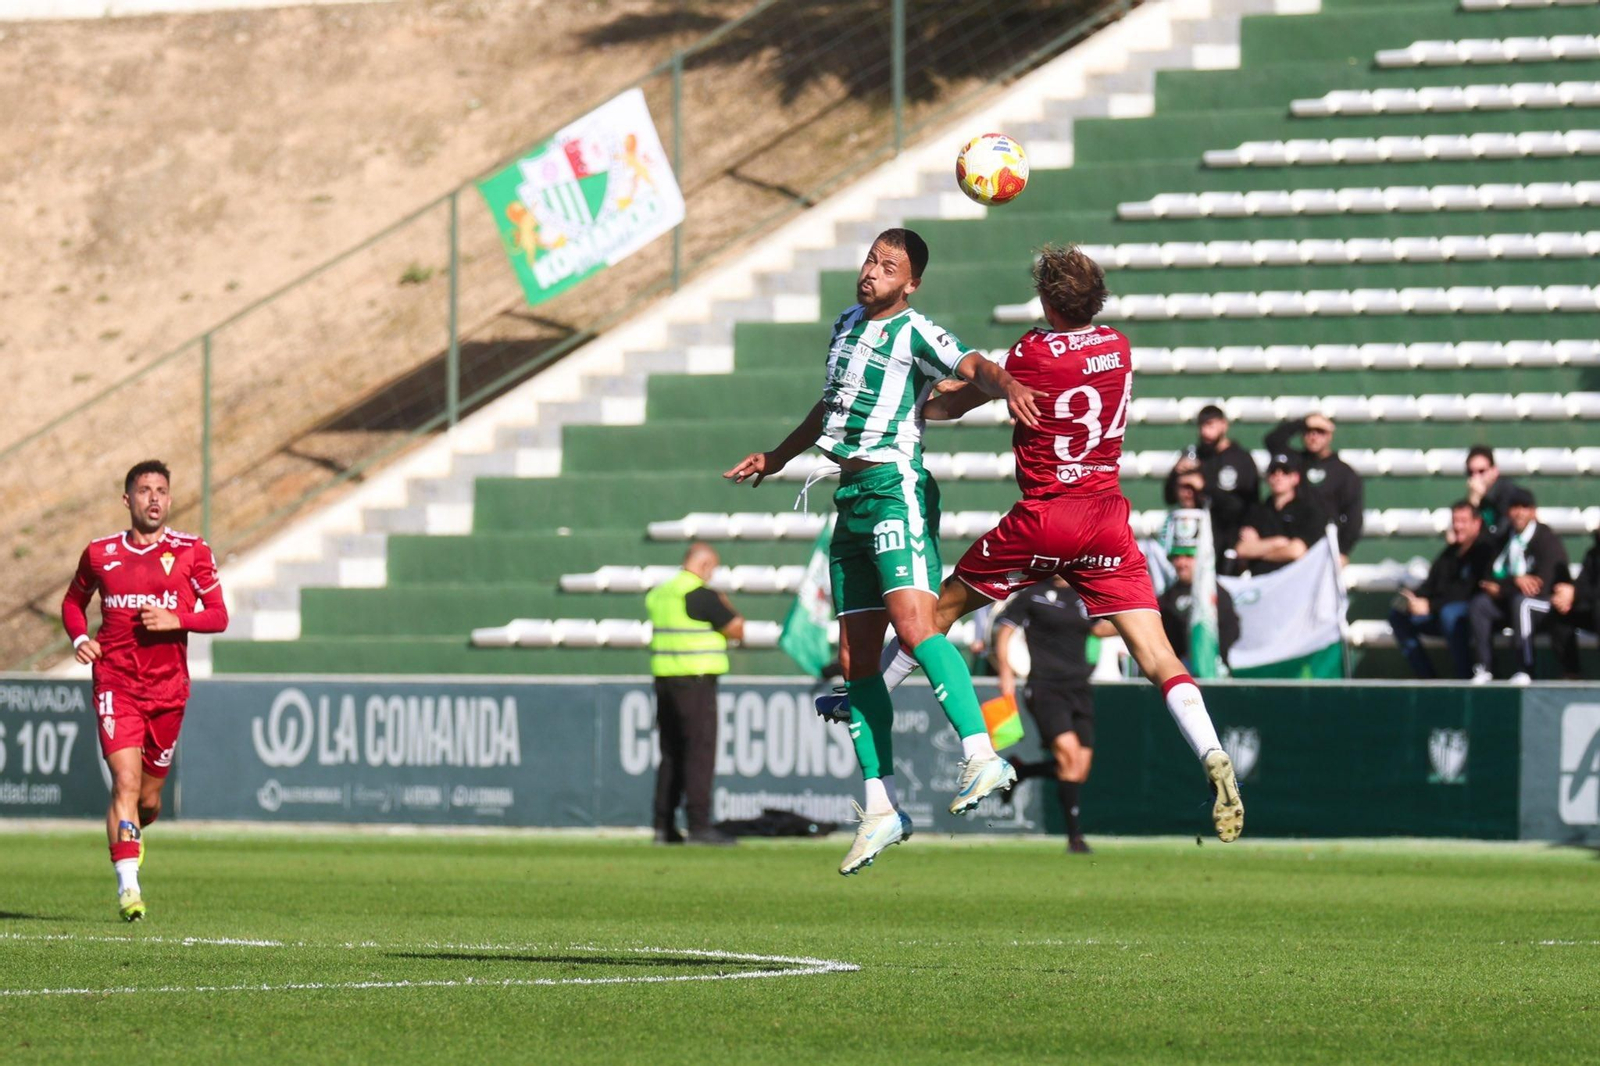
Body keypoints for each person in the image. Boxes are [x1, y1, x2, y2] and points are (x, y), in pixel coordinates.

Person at [829, 244, 1245, 844]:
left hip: (1045, 517)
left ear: (1047, 299)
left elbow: (955, 403)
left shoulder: (1031, 351)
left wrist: (911, 397)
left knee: (935, 612)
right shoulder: (1119, 348)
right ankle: (1209, 749)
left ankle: (863, 696)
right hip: (1107, 519)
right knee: (1159, 657)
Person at [723, 227, 1043, 875]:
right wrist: (779, 456)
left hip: (894, 487)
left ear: (911, 282)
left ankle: (982, 754)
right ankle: (881, 806)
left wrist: (1006, 386)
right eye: (871, 259)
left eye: (887, 265)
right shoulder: (847, 321)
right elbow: (830, 405)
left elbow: (973, 364)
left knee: (916, 625)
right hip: (850, 496)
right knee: (854, 657)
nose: (871, 271)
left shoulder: (915, 330)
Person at [60, 461, 229, 922]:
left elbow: (218, 615)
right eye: (143, 490)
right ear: (127, 499)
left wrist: (179, 619)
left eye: (160, 491)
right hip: (116, 682)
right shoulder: (100, 554)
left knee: (149, 799)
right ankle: (128, 888)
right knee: (126, 785)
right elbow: (74, 602)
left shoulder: (192, 551)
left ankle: (133, 835)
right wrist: (80, 640)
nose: (153, 498)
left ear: (169, 500)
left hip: (169, 690)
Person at [992, 578, 1115, 853]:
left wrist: (1133, 622)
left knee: (1079, 770)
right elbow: (1004, 631)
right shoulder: (1032, 595)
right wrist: (1005, 673)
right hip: (1045, 687)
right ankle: (1075, 838)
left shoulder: (1083, 596)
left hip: (1080, 688)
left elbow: (1098, 629)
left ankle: (1021, 771)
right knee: (1069, 757)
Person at [645, 542, 745, 846]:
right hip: (696, 681)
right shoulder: (701, 594)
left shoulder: (660, 594)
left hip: (664, 678)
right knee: (699, 752)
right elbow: (736, 629)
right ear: (703, 565)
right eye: (711, 569)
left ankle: (663, 826)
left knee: (671, 753)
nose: (711, 575)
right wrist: (725, 603)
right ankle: (699, 825)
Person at [1468, 487, 1571, 683]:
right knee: (1480, 604)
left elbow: (1542, 584)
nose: (1518, 513)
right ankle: (1484, 668)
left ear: (1533, 511)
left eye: (1524, 507)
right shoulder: (1506, 539)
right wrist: (1514, 582)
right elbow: (1488, 577)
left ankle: (1525, 668)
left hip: (1545, 605)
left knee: (1522, 603)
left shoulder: (1546, 538)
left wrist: (1505, 587)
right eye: (1514, 507)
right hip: (1511, 599)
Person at [1388, 502, 1494, 679]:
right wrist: (1414, 598)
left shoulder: (1485, 550)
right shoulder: (1450, 552)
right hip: (1440, 612)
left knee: (1450, 614)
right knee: (1398, 615)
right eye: (1455, 521)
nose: (1458, 526)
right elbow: (1432, 584)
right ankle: (1427, 679)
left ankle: (1465, 677)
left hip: (1473, 618)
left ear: (1477, 522)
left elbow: (1471, 591)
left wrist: (1430, 606)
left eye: (1463, 521)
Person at [1264, 412, 1363, 560]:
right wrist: (1302, 422)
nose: (1313, 436)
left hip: (1324, 547)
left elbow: (1353, 518)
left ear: (1330, 435)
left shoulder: (1345, 473)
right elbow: (1272, 440)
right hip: (1292, 541)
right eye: (1308, 432)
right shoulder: (1295, 462)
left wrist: (1343, 552)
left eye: (1320, 432)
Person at [1164, 405, 1257, 554]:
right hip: (1198, 534)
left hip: (1231, 536)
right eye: (1201, 426)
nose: (1204, 432)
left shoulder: (1240, 459)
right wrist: (1176, 473)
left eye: (1210, 425)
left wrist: (1204, 486)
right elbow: (1169, 498)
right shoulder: (1195, 455)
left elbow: (1240, 505)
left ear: (1224, 425)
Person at [1233, 453, 1327, 576]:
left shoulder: (1308, 511)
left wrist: (1260, 552)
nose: (1278, 477)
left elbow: (1296, 551)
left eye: (1285, 472)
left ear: (1295, 478)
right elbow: (1242, 549)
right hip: (1263, 582)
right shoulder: (1257, 511)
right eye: (1273, 472)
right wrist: (1277, 543)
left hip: (1296, 581)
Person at [1158, 541, 1239, 671]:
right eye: (1177, 558)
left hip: (1214, 669)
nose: (1181, 563)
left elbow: (1232, 631)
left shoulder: (1218, 594)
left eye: (1188, 557)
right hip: (1178, 671)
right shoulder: (1165, 599)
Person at [1546, 532, 1600, 679]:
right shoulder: (1593, 554)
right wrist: (1567, 597)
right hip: (1593, 611)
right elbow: (1584, 583)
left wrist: (1575, 592)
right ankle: (1571, 672)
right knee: (1561, 612)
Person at [1464, 446, 1518, 545]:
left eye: (1481, 471)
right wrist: (1473, 501)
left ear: (1494, 471)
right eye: (1471, 473)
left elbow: (1501, 533)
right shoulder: (1473, 497)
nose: (1476, 477)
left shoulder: (1507, 493)